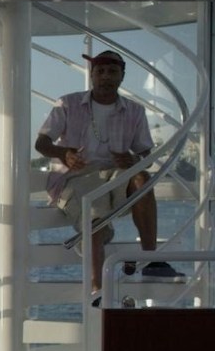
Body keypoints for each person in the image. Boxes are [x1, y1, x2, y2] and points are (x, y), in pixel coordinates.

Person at [35, 50, 182, 304]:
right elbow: (41, 142)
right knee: (94, 218)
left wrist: (133, 160)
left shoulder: (134, 111)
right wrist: (63, 153)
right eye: (100, 71)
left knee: (142, 178)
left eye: (112, 71)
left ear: (122, 76)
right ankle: (98, 290)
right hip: (74, 176)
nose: (106, 76)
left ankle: (151, 260)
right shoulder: (67, 104)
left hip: (116, 175)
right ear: (92, 75)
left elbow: (145, 153)